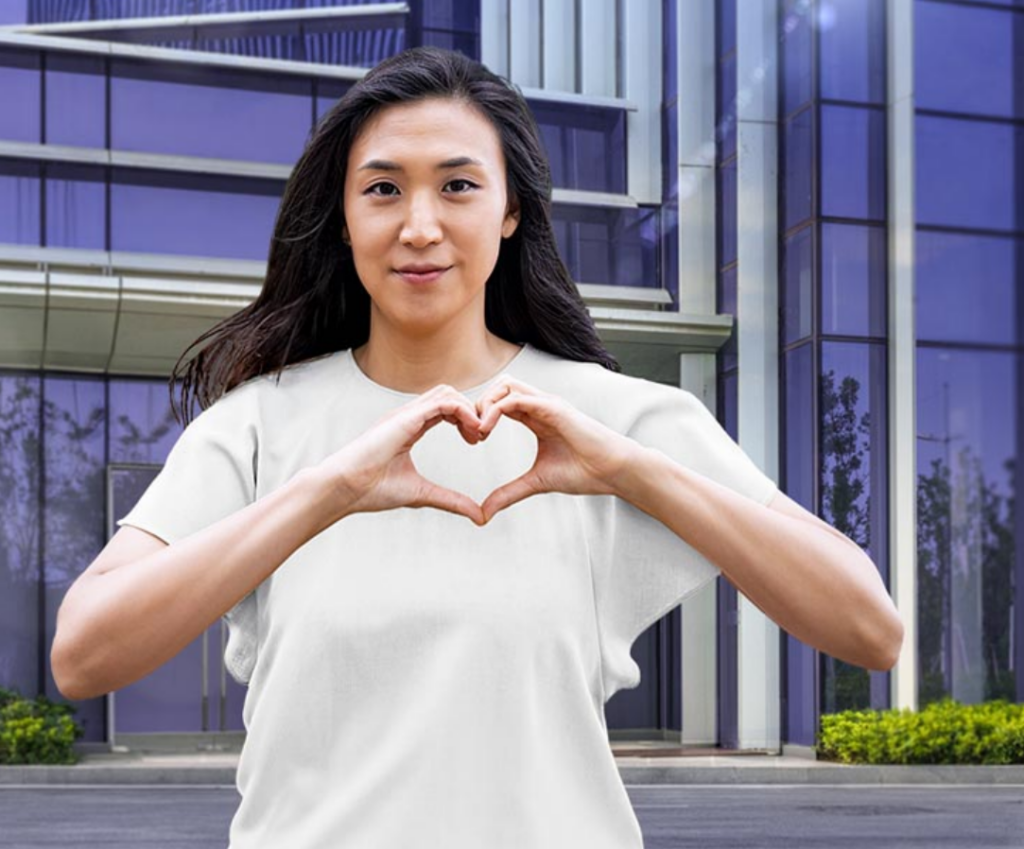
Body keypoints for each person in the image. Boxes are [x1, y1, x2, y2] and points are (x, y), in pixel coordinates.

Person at [52, 46, 903, 849]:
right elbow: (86, 653)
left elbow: (870, 627)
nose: (420, 225)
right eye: (383, 190)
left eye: (458, 185)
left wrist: (630, 472)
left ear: (510, 211)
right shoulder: (257, 425)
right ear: (343, 220)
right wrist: (325, 491)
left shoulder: (617, 419)